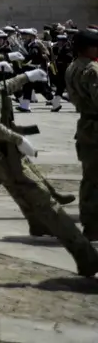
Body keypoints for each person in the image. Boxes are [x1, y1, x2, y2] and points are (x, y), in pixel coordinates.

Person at [0, 35, 98, 279]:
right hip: (1, 155)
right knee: (46, 204)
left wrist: (24, 78)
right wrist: (18, 139)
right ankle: (87, 259)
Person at [68, 28, 98, 239]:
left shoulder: (73, 67)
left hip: (86, 126)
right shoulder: (93, 70)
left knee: (90, 179)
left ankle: (90, 224)